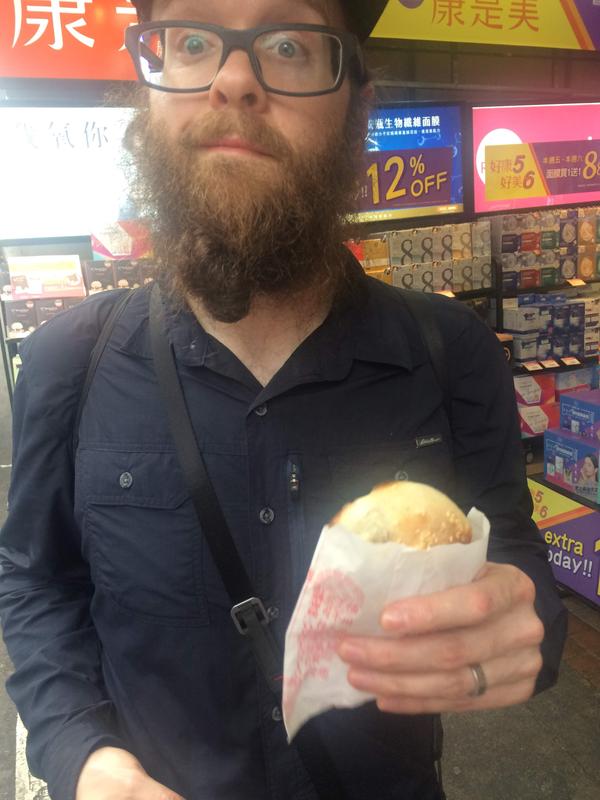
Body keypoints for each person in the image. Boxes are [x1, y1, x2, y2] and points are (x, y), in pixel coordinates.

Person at [0, 1, 567, 799]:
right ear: (144, 90)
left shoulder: (450, 352)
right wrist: (80, 757)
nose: (233, 80)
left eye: (291, 46)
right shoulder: (67, 361)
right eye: (192, 42)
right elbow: (36, 582)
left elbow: (509, 551)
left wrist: (528, 627)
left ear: (356, 104)